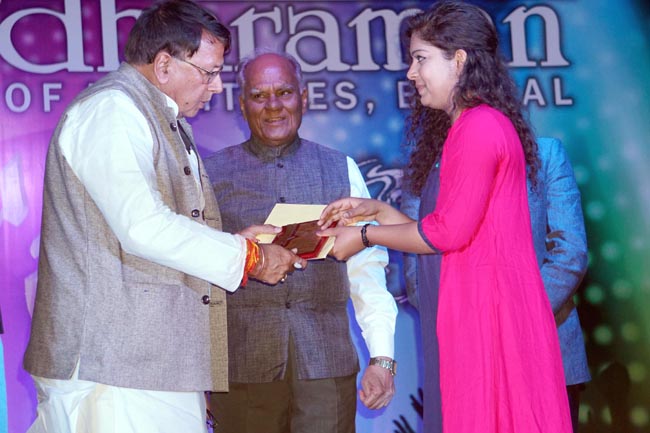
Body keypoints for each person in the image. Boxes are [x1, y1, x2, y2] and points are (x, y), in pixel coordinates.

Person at [22, 2, 306, 433]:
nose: (216, 87)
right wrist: (248, 257)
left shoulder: (153, 113)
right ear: (164, 65)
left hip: (147, 362)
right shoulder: (112, 110)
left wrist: (237, 243)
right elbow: (143, 226)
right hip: (113, 364)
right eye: (209, 73)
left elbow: (154, 224)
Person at [318, 2, 573, 432]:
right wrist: (377, 212)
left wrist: (364, 236)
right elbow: (458, 227)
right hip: (474, 309)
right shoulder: (473, 126)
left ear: (459, 59)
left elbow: (447, 232)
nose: (411, 73)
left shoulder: (478, 127)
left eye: (421, 59)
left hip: (486, 317)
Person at [204, 49, 398, 433]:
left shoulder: (341, 169)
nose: (273, 106)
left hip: (326, 370)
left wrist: (382, 357)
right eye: (259, 96)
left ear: (303, 98)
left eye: (284, 93)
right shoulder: (209, 174)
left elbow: (367, 272)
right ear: (242, 105)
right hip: (242, 373)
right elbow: (196, 277)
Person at [402, 137, 591, 432]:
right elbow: (418, 278)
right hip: (466, 365)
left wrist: (511, 319)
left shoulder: (544, 154)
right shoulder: (428, 165)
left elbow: (570, 253)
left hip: (543, 355)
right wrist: (471, 326)